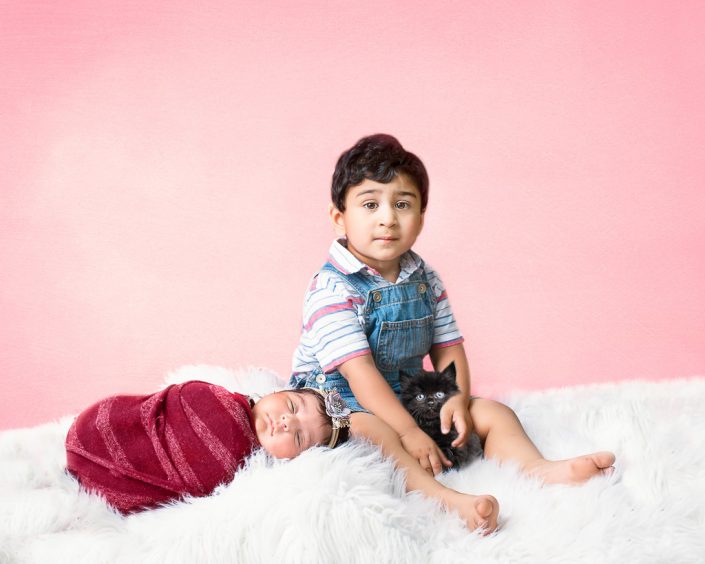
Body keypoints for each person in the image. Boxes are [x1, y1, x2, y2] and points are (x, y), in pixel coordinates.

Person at [289, 134, 615, 533]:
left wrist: (456, 399)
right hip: (344, 403)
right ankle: (445, 501)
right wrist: (408, 431)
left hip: (404, 396)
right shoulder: (332, 288)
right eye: (370, 204)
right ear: (339, 217)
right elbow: (360, 374)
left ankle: (535, 469)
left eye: (403, 204)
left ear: (422, 218)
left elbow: (448, 348)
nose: (388, 218)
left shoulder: (425, 278)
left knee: (492, 412)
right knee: (371, 431)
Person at [65, 380, 351, 514]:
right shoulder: (212, 396)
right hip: (99, 425)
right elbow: (180, 397)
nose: (287, 421)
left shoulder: (247, 477)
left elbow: (204, 480)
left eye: (298, 438)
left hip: (108, 476)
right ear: (276, 392)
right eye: (291, 406)